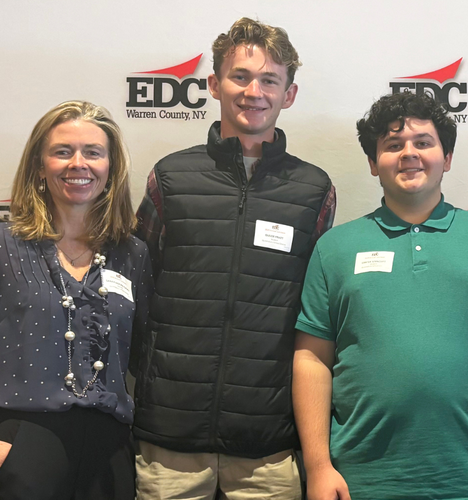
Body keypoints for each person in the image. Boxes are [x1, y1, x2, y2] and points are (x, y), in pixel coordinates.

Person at [293, 91, 468, 500]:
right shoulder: (334, 248)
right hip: (364, 482)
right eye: (393, 146)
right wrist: (318, 466)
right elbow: (312, 359)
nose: (408, 154)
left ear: (446, 158)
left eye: (423, 143)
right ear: (373, 163)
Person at [131, 17, 336, 500]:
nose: (253, 91)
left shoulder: (314, 190)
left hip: (267, 443)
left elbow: (315, 311)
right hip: (170, 438)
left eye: (270, 80)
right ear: (213, 84)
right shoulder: (171, 177)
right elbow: (139, 290)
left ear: (289, 94)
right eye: (240, 76)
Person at [0, 100, 153, 500]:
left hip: (111, 454)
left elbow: (145, 359)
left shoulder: (133, 254)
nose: (78, 163)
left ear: (111, 166)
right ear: (39, 166)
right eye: (62, 152)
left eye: (93, 152)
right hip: (21, 446)